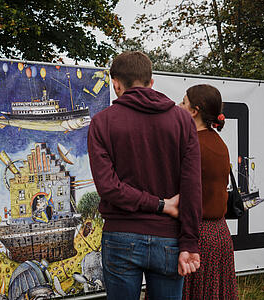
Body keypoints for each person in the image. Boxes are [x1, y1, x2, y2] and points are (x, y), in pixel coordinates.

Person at [87, 51, 202, 300]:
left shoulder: (102, 122)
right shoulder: (183, 120)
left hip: (120, 235)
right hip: (168, 238)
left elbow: (108, 187)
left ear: (115, 83)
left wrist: (160, 205)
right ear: (151, 82)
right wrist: (189, 242)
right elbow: (192, 185)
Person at [179, 84, 238, 299]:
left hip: (197, 235)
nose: (179, 105)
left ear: (194, 111)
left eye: (183, 102)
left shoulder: (193, 145)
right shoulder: (218, 143)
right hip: (219, 234)